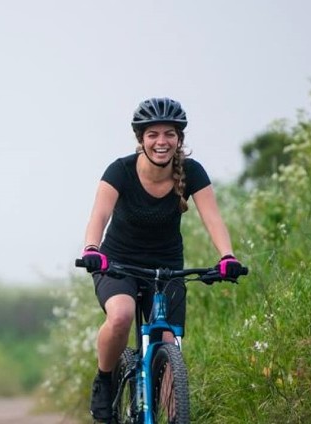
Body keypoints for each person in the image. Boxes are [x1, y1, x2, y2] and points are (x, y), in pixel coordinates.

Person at [79, 97, 244, 422]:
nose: (161, 141)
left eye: (169, 134)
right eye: (153, 134)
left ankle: (171, 412)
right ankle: (105, 381)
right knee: (122, 315)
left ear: (179, 138)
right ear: (140, 139)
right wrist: (91, 250)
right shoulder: (120, 171)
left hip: (167, 265)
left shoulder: (192, 172)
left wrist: (227, 256)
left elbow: (213, 218)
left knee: (169, 339)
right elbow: (98, 215)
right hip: (117, 262)